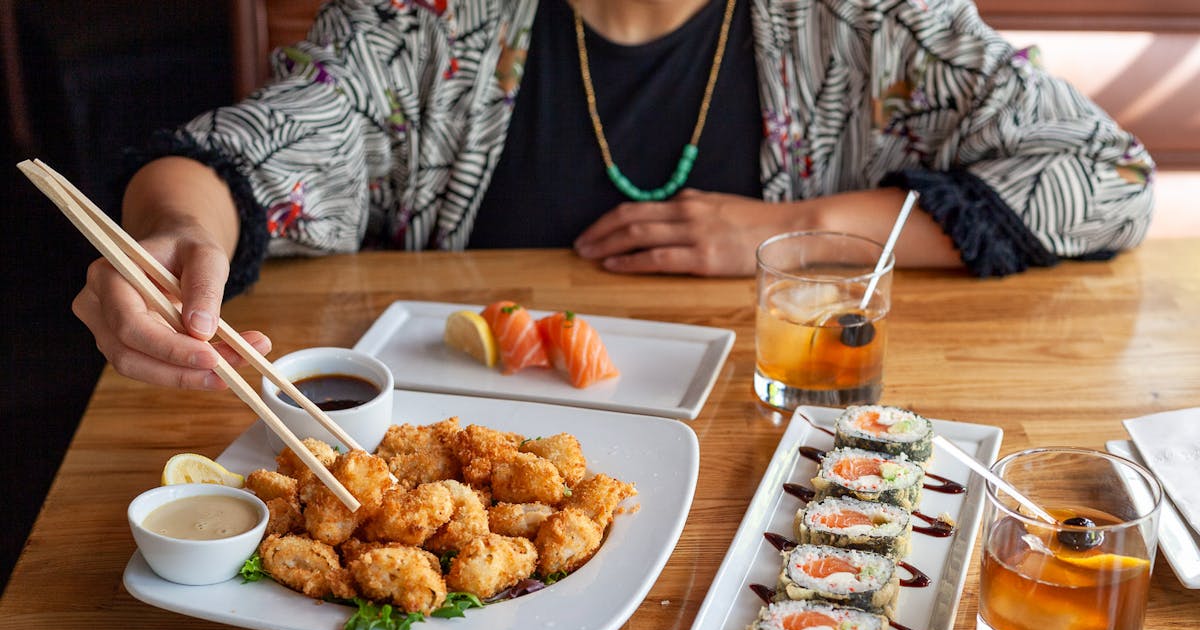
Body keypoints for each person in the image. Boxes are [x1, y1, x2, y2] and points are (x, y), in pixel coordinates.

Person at [73, 0, 1154, 391]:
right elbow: (247, 152)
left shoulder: (865, 23)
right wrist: (174, 235)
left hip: (761, 467)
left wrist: (793, 233)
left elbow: (1102, 177)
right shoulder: (426, 18)